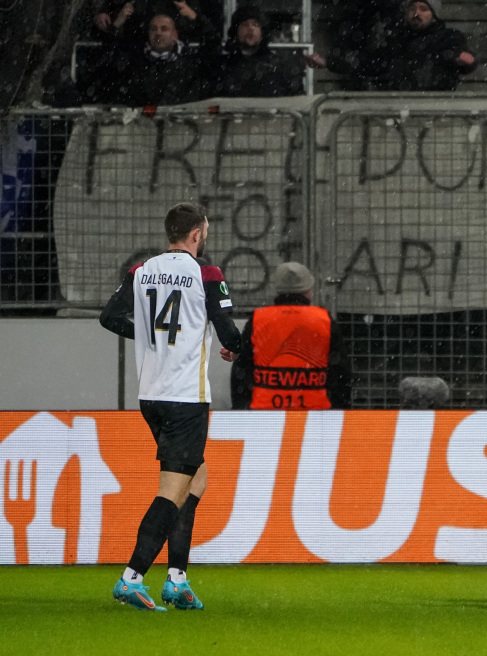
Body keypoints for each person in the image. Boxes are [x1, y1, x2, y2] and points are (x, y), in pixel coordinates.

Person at [98, 202, 242, 611]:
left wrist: (146, 336)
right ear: (196, 234)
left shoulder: (141, 272)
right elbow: (229, 332)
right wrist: (235, 348)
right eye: (205, 231)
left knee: (196, 479)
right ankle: (132, 577)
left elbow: (110, 317)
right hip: (185, 398)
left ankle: (177, 579)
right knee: (173, 491)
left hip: (152, 396)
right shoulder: (207, 274)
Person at [224, 262, 351, 410]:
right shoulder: (324, 321)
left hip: (265, 412)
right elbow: (341, 372)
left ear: (278, 289)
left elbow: (241, 369)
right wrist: (340, 410)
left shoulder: (259, 319)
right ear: (308, 291)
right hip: (315, 413)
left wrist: (240, 409)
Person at [306, 0, 476, 91]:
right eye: (412, 9)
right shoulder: (397, 42)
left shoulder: (449, 37)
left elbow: (463, 59)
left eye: (423, 8)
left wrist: (465, 61)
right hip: (400, 111)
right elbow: (368, 64)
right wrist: (330, 62)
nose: (416, 14)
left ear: (434, 14)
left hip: (439, 112)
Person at [83, 12, 211, 106]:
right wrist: (115, 26)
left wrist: (195, 17)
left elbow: (213, 44)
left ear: (175, 34)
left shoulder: (191, 60)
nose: (158, 33)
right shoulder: (135, 60)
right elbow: (108, 54)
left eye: (164, 29)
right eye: (153, 29)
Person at [215, 6, 305, 98]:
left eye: (255, 24)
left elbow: (296, 101)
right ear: (236, 31)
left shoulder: (279, 67)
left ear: (262, 32)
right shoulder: (222, 67)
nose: (250, 28)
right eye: (244, 24)